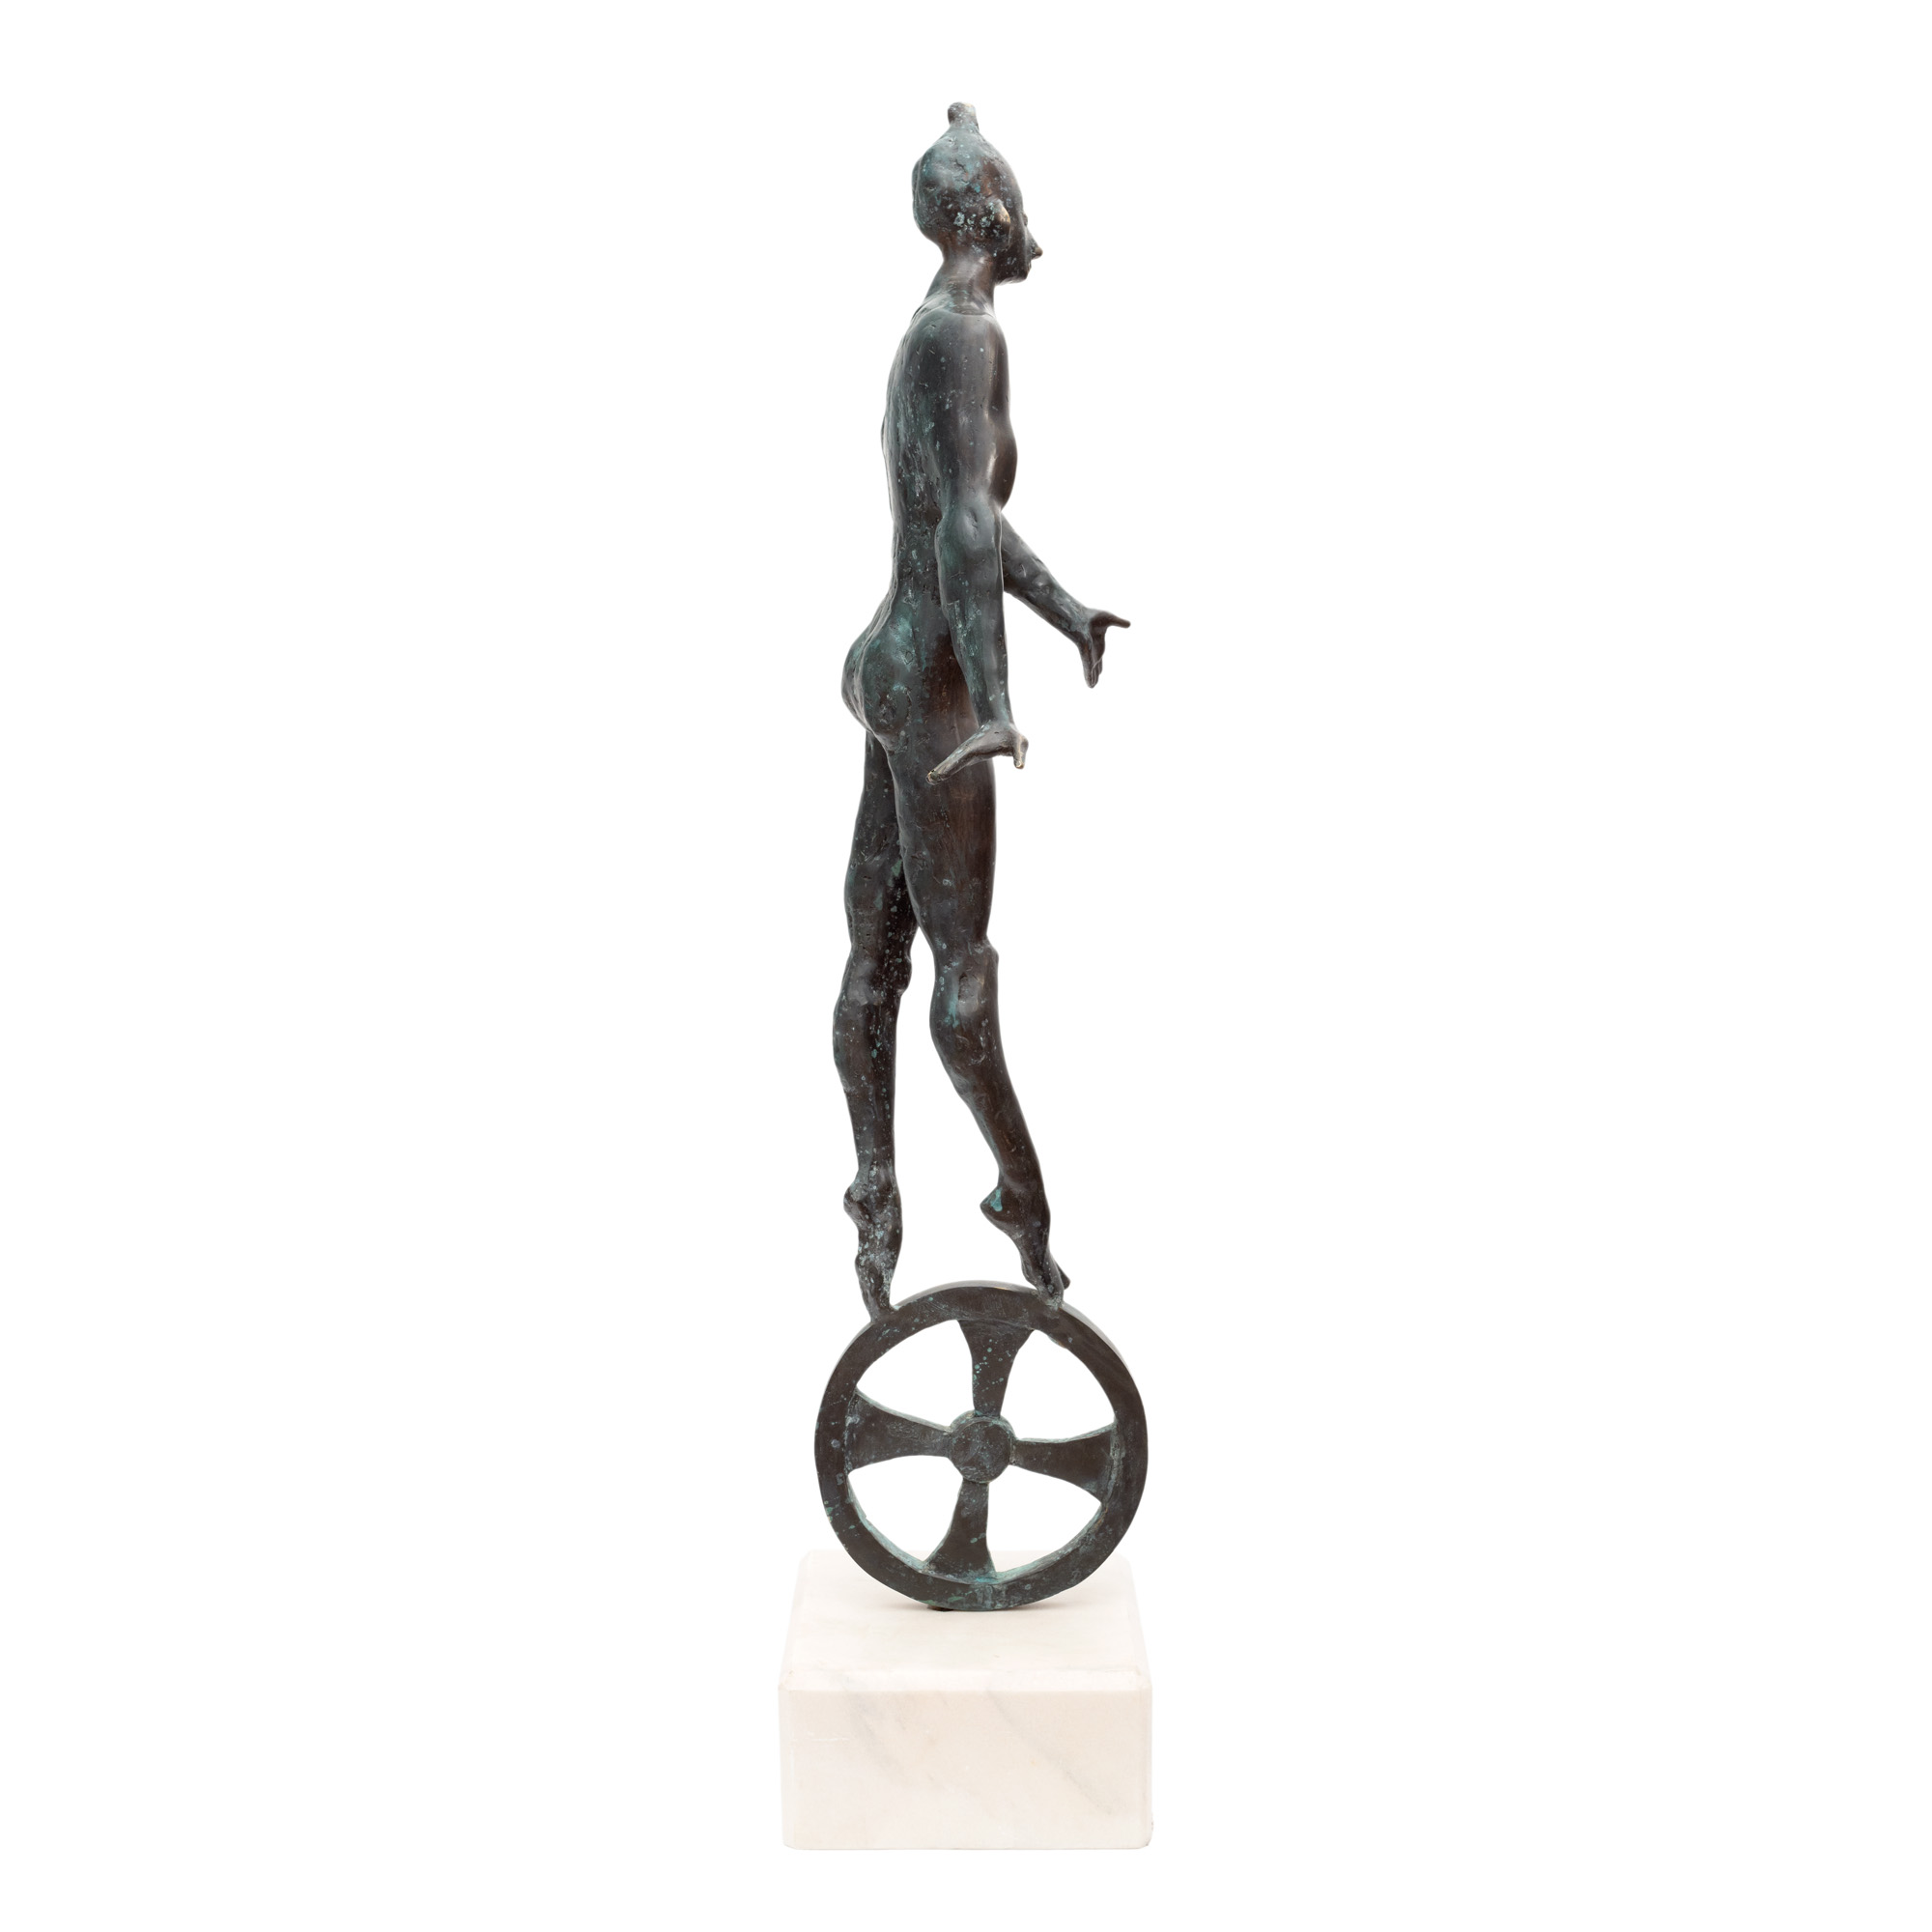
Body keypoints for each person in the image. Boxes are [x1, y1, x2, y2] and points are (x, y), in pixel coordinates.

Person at [834, 103, 1128, 1321]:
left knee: (875, 949)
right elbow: (959, 523)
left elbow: (968, 518)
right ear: (985, 215)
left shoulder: (932, 331)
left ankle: (875, 1187)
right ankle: (1018, 1191)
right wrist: (996, 704)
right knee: (960, 973)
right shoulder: (966, 337)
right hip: (936, 685)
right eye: (1014, 206)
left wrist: (1062, 609)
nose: (1029, 232)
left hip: (890, 664)